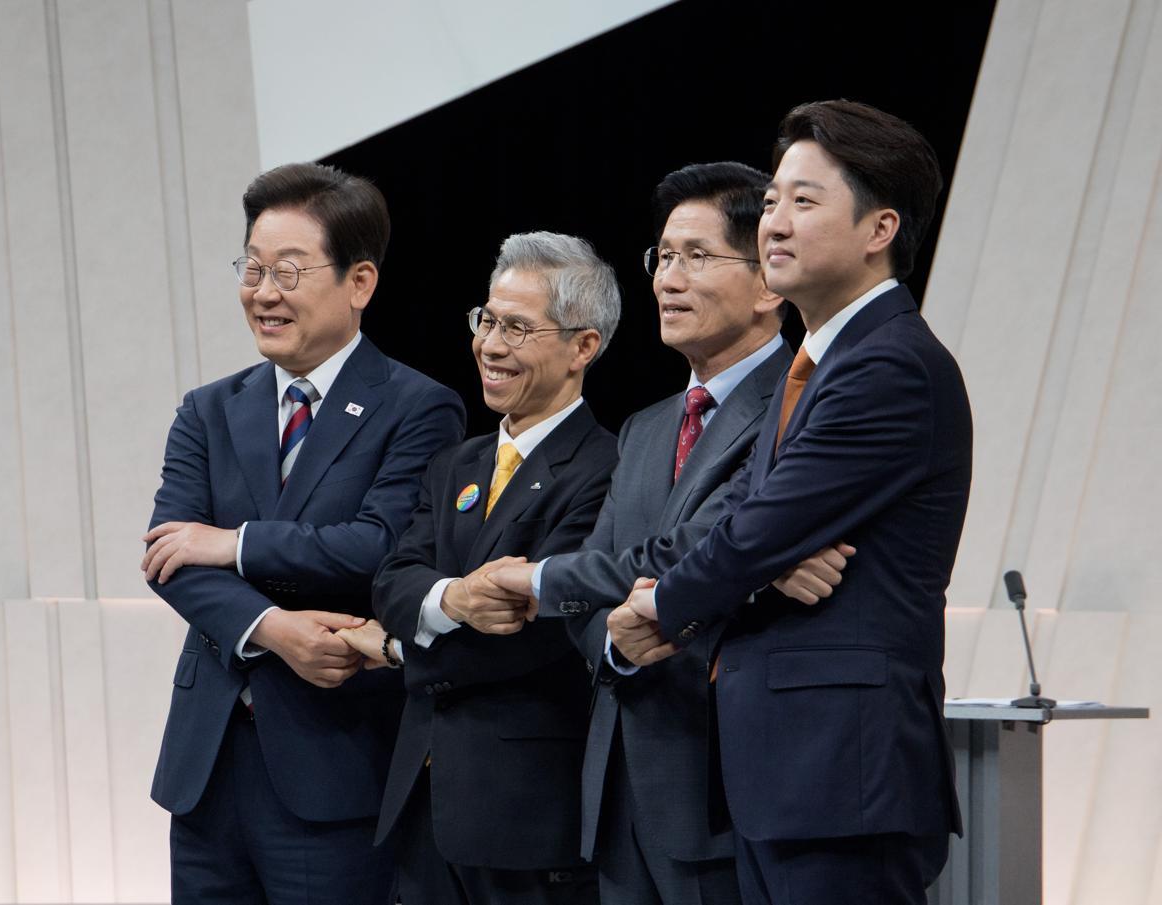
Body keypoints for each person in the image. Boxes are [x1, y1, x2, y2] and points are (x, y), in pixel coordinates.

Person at [622, 100, 972, 905]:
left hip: (844, 772)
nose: (773, 223)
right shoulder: (813, 365)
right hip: (787, 772)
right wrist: (748, 568)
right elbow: (750, 525)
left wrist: (660, 606)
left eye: (803, 201)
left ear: (880, 228)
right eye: (773, 200)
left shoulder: (890, 364)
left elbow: (756, 529)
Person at [141, 162, 465, 905]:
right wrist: (273, 629)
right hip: (206, 766)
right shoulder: (208, 409)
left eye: (287, 271)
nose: (263, 292)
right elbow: (170, 556)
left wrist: (234, 542)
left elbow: (380, 546)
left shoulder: (418, 406)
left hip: (336, 758)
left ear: (360, 282)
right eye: (252, 268)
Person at [489, 162, 800, 905]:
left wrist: (544, 582)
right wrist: (616, 644)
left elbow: (705, 552)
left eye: (696, 256)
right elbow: (595, 572)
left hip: (728, 786)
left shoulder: (799, 407)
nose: (668, 279)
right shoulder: (645, 426)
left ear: (767, 282)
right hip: (619, 791)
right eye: (662, 256)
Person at [340, 231, 620, 905]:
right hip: (420, 800)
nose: (491, 345)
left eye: (517, 328)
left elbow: (541, 630)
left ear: (583, 345)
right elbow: (391, 581)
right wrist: (454, 599)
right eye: (487, 321)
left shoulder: (608, 466)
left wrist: (398, 646)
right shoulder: (455, 463)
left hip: (527, 813)